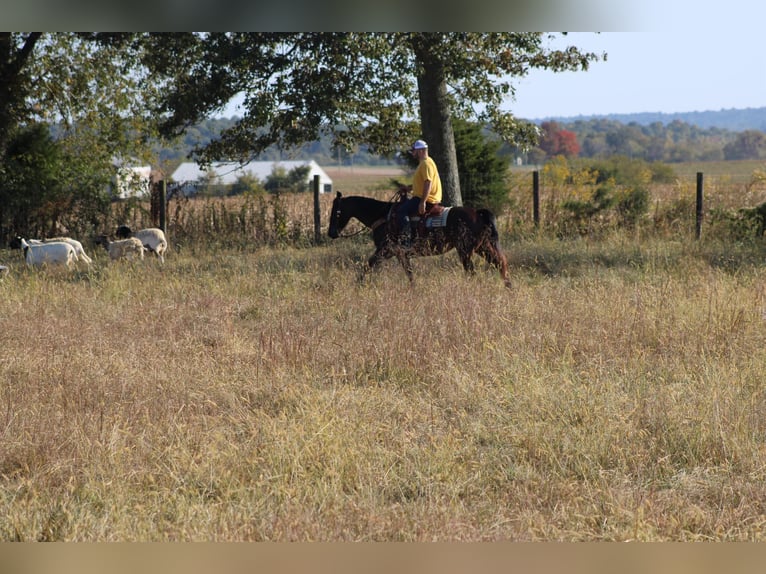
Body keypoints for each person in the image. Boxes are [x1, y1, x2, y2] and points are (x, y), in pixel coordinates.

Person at [397, 139, 442, 246]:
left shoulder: (426, 164)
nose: (413, 153)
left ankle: (406, 240)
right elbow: (422, 183)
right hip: (421, 196)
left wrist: (423, 202)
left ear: (421, 151)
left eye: (414, 151)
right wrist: (409, 188)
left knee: (401, 211)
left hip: (425, 198)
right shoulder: (425, 163)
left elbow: (428, 183)